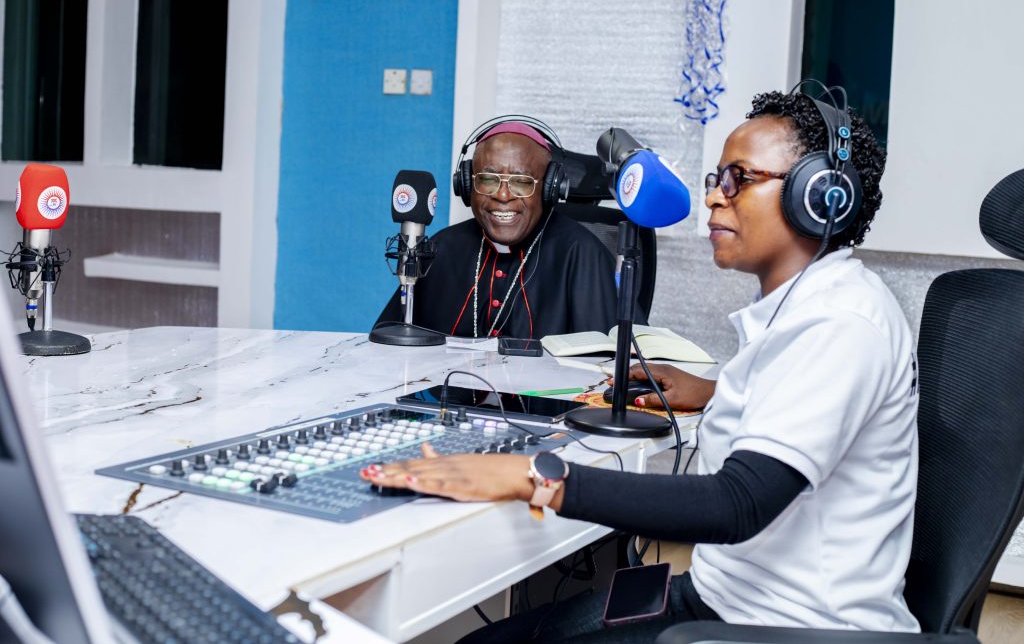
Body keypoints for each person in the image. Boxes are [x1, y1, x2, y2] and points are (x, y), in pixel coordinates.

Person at [362, 89, 919, 641]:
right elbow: (798, 400)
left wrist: (532, 477)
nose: (714, 198)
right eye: (717, 179)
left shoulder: (840, 322)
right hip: (726, 595)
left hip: (789, 628)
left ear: (816, 195)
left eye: (739, 179)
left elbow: (737, 503)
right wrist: (717, 390)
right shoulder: (807, 309)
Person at [375, 120, 619, 339]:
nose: (502, 196)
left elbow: (606, 363)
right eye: (488, 180)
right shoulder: (444, 247)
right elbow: (390, 346)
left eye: (521, 182)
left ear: (550, 189)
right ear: (467, 184)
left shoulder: (582, 253)